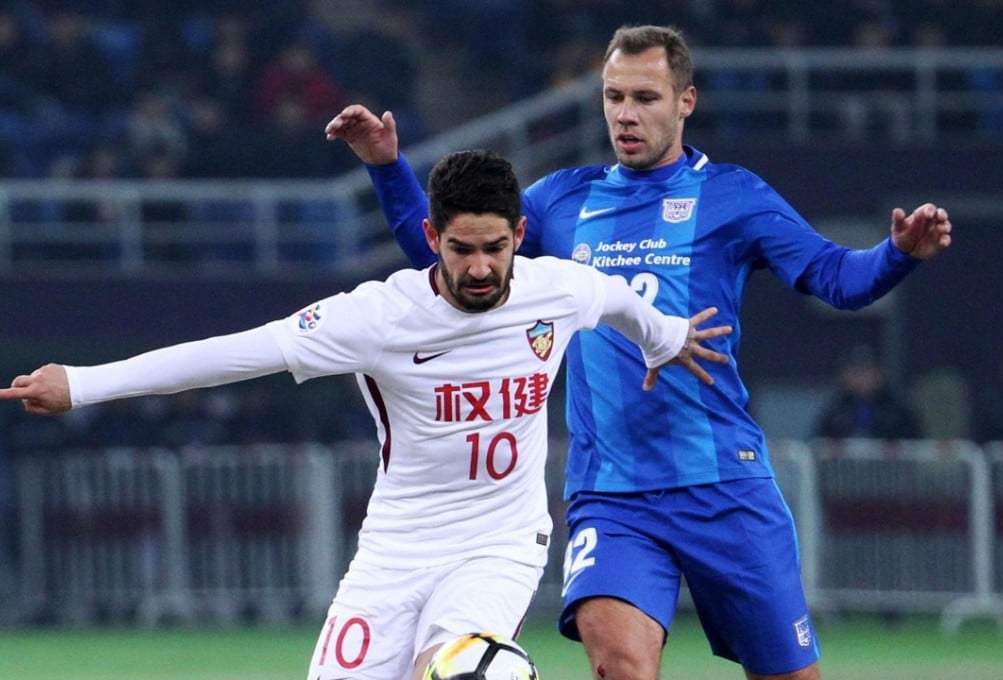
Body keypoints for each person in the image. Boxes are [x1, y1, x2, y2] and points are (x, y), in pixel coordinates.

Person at [324, 24, 953, 680]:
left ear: (686, 101)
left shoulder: (734, 196)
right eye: (613, 96)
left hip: (725, 486)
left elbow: (837, 279)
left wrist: (898, 255)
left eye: (646, 97)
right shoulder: (562, 202)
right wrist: (387, 167)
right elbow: (445, 258)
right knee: (622, 666)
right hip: (612, 494)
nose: (626, 114)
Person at [0, 149, 731, 680]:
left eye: (496, 248)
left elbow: (631, 309)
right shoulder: (379, 316)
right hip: (396, 551)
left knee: (477, 673)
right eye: (462, 249)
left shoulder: (561, 289)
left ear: (517, 232)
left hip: (501, 544)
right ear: (432, 239)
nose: (481, 267)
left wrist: (668, 341)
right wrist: (85, 384)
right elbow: (236, 352)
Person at [812, 343, 921, 440]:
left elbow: (917, 444)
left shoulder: (898, 412)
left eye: (866, 371)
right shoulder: (835, 412)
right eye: (855, 372)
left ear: (879, 374)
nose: (861, 379)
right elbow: (818, 442)